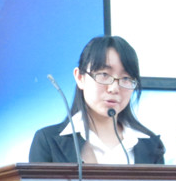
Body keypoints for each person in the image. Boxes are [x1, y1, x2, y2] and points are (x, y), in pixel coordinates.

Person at [29, 36, 165, 164]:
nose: (114, 88)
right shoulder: (48, 142)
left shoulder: (151, 147)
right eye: (104, 74)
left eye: (126, 78)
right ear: (80, 78)